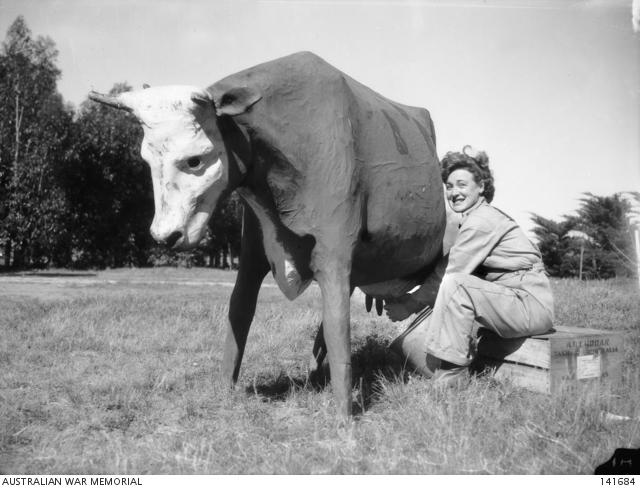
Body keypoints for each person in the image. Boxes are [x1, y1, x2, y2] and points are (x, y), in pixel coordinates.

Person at [386, 146, 554, 386]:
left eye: (462, 185)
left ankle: (451, 376)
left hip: (530, 304)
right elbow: (448, 263)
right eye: (450, 186)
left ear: (481, 187)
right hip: (517, 300)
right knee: (452, 288)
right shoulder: (473, 221)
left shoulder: (481, 221)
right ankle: (450, 363)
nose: (454, 192)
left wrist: (409, 304)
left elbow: (450, 273)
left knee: (455, 285)